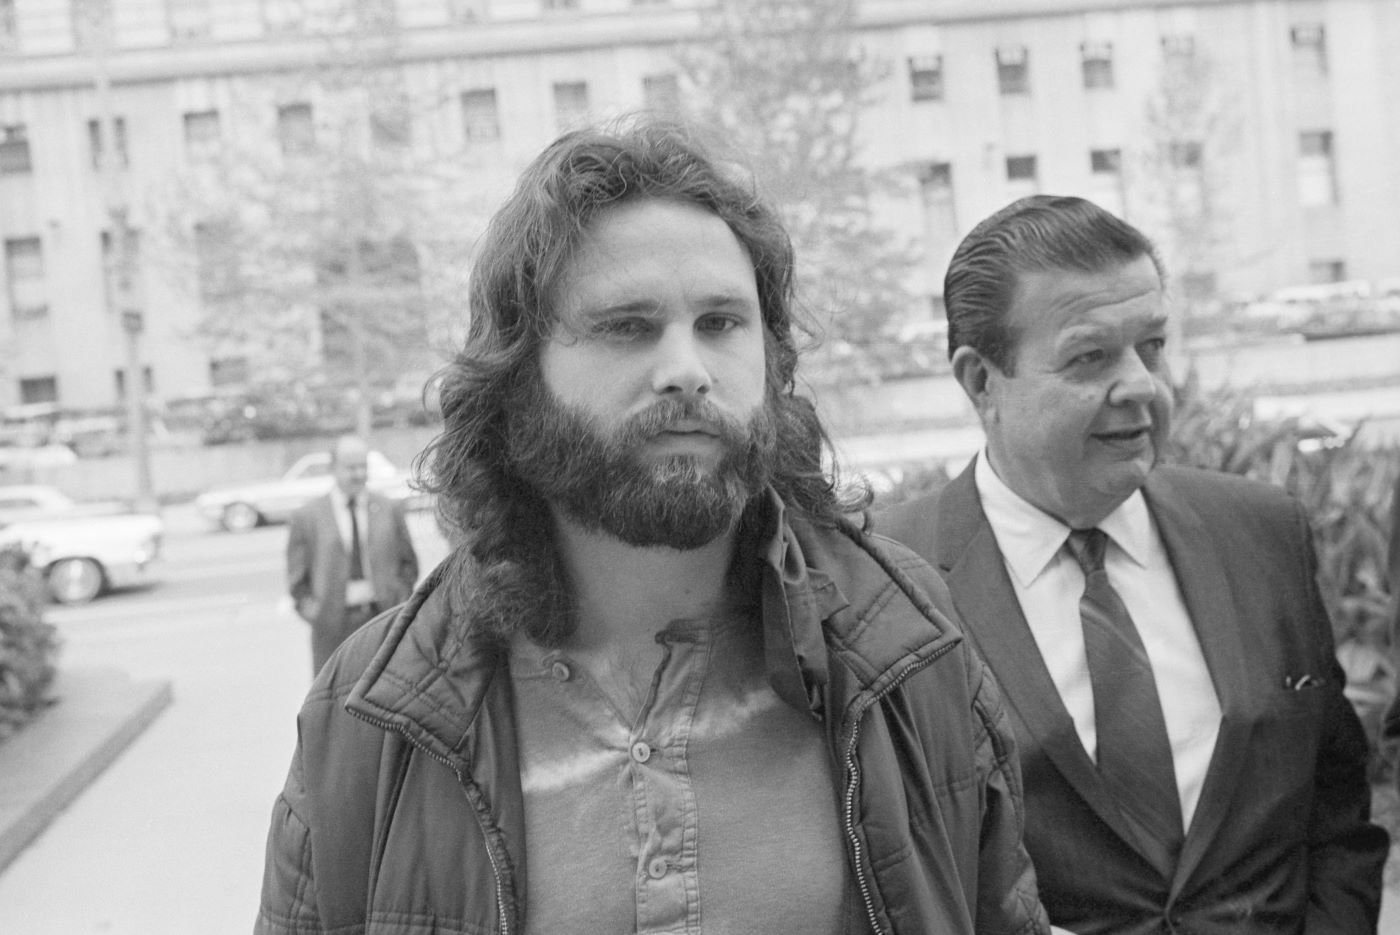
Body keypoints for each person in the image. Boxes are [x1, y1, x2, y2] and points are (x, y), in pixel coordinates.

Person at [254, 119, 1049, 934]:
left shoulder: (905, 641)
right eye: (627, 327)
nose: (687, 371)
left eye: (722, 323)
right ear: (519, 377)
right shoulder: (368, 715)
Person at [877, 194, 1389, 935]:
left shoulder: (1262, 530)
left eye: (1152, 345)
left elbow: (1335, 814)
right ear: (981, 381)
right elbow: (895, 864)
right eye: (1091, 357)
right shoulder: (890, 578)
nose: (1142, 384)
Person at [285, 434, 419, 674]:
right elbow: (297, 582)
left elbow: (408, 564)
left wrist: (399, 600)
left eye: (363, 466)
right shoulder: (307, 517)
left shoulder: (389, 509)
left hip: (384, 621)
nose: (358, 474)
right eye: (350, 468)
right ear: (333, 468)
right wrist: (317, 615)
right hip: (332, 629)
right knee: (334, 704)